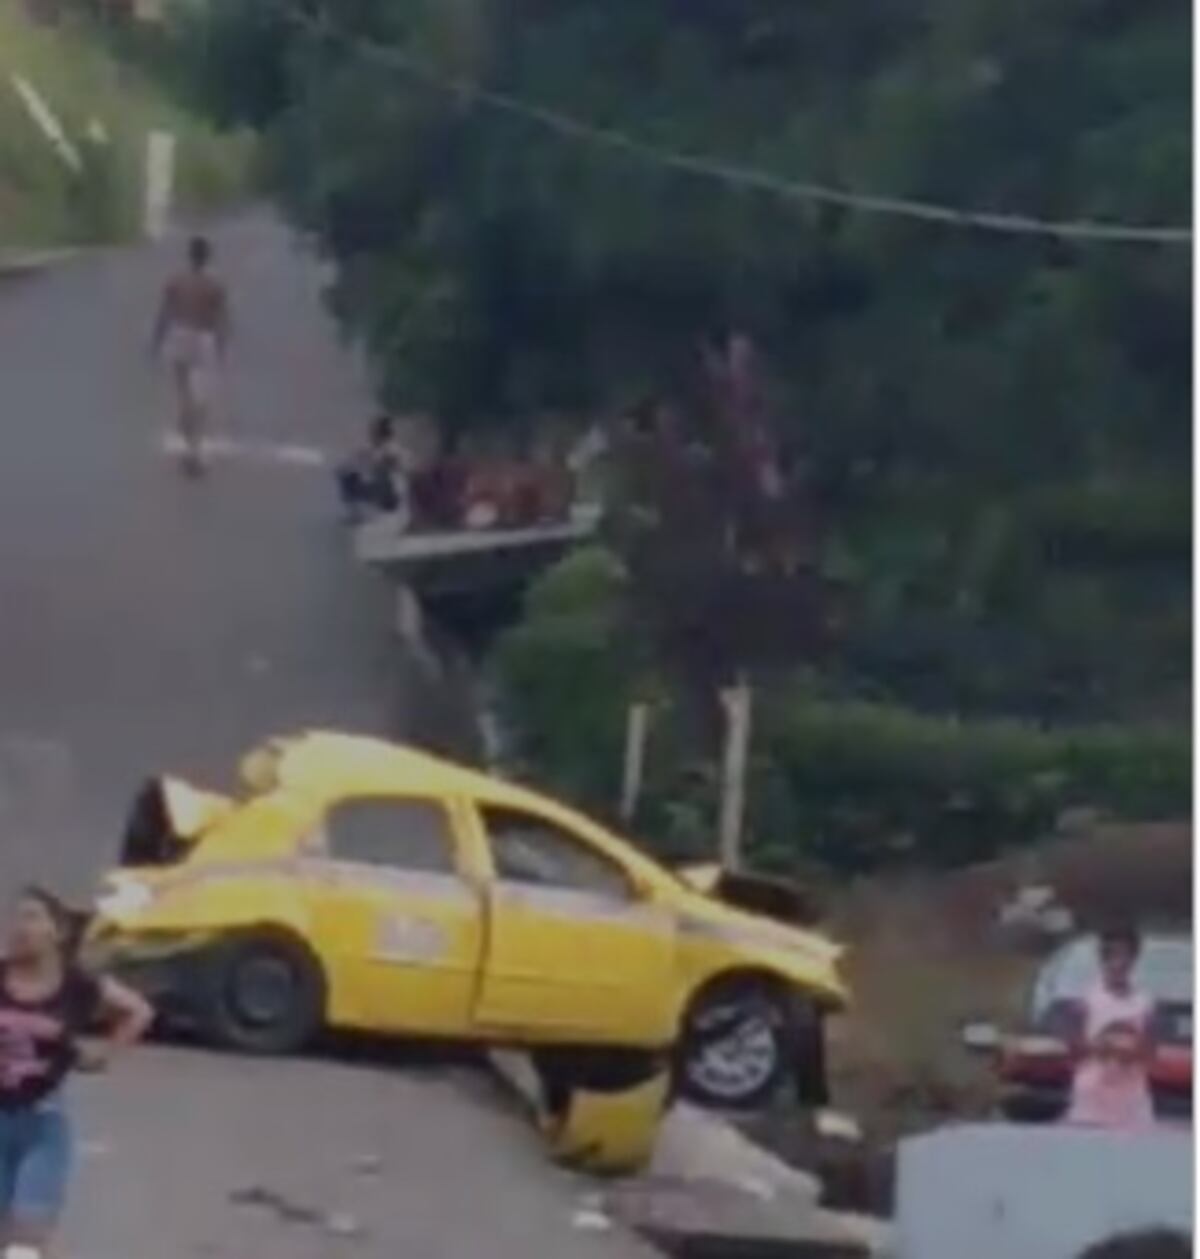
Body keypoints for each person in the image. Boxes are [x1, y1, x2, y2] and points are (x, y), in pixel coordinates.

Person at [0, 887, 152, 1255]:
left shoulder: (77, 985)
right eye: (18, 917)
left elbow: (139, 1012)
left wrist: (102, 1056)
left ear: (58, 932)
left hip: (43, 1124)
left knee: (23, 1246)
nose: (21, 927)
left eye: (33, 917)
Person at [151, 236, 231, 475]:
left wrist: (156, 341)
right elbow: (221, 320)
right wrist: (222, 346)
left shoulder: (176, 282)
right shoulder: (215, 285)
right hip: (203, 338)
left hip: (179, 335)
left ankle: (189, 445)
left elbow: (164, 313)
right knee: (202, 397)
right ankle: (196, 451)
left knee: (184, 394)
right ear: (207, 257)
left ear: (190, 255)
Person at [1065, 921, 1155, 1129]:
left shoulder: (1145, 1003)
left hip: (1132, 1103)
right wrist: (1103, 1048)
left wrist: (1133, 1051)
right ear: (1102, 959)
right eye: (1112, 956)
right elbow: (1073, 1049)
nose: (1119, 964)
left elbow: (1151, 1052)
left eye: (1125, 956)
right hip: (1092, 1101)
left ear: (1134, 960)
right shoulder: (1087, 1000)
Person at [335, 415, 409, 525]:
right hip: (388, 492)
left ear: (380, 433)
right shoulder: (375, 448)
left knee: (348, 476)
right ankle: (360, 514)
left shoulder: (390, 450)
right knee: (346, 474)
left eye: (373, 430)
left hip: (390, 494)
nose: (370, 434)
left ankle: (358, 516)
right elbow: (353, 462)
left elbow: (391, 467)